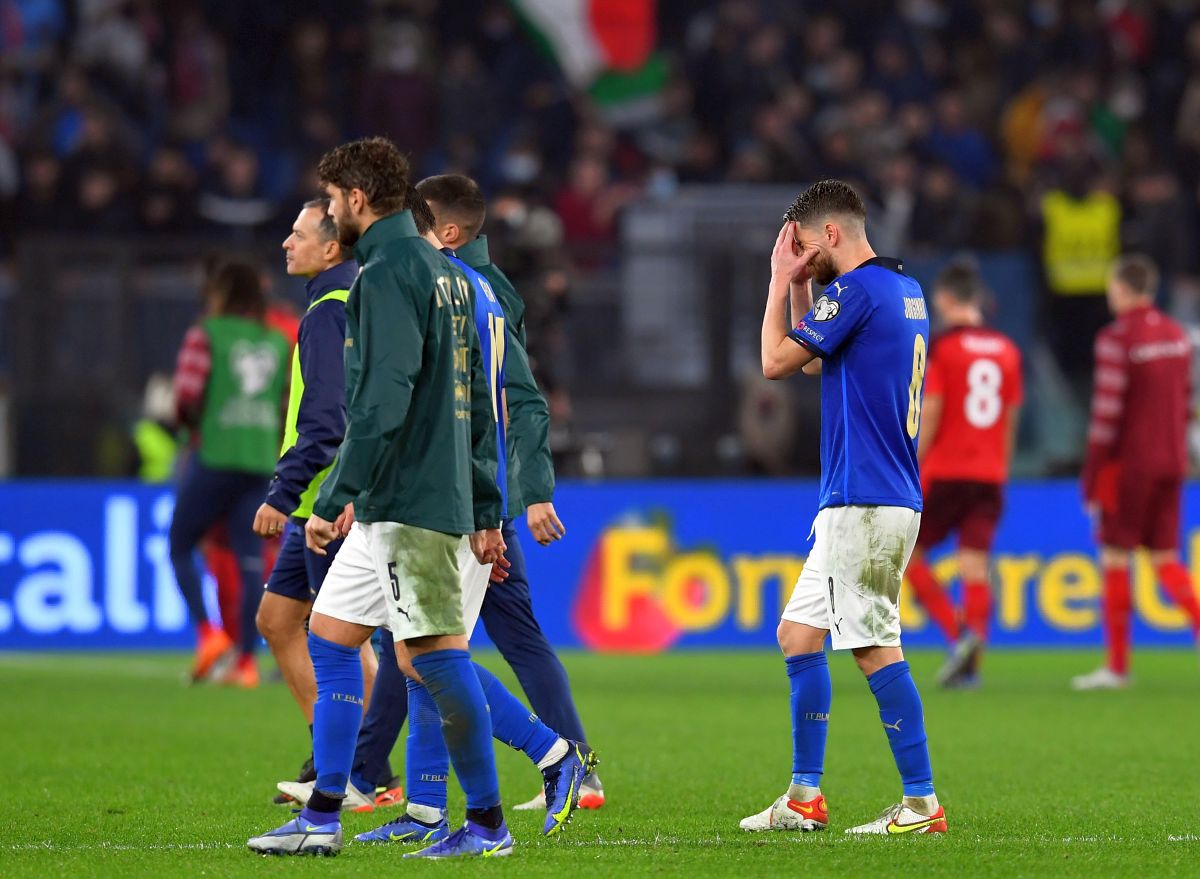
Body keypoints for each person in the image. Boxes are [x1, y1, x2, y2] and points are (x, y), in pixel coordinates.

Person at [247, 137, 510, 859]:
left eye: (331, 202)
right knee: (331, 637)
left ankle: (488, 821)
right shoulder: (449, 275)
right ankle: (323, 813)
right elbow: (480, 406)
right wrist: (488, 508)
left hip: (411, 502)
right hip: (426, 494)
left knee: (434, 657)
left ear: (357, 200)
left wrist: (335, 493)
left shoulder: (386, 272)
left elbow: (380, 402)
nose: (329, 214)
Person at [330, 173, 602, 818]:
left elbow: (509, 403)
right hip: (452, 497)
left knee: (425, 650)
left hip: (449, 499)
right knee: (418, 645)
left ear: (445, 233)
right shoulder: (468, 284)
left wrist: (520, 494)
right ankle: (410, 797)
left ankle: (552, 762)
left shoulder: (460, 290)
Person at [745, 179, 945, 835]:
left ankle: (922, 803)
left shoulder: (857, 292)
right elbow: (811, 362)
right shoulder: (901, 289)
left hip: (866, 497)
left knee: (874, 647)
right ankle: (804, 796)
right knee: (798, 634)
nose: (799, 258)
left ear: (830, 233)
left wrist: (778, 282)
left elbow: (776, 361)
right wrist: (805, 288)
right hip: (871, 495)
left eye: (802, 247)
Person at [252, 198, 391, 807]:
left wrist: (284, 493)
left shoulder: (331, 311)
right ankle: (330, 752)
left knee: (344, 638)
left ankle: (367, 771)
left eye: (298, 232)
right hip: (318, 498)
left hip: (325, 503)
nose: (286, 242)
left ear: (332, 247)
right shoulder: (334, 303)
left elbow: (330, 420)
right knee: (277, 621)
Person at [1072, 254, 1200, 690]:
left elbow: (1107, 415)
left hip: (1128, 466)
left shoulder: (1116, 337)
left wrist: (1090, 477)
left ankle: (1117, 667)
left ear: (1122, 289)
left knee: (1113, 557)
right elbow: (1186, 403)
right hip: (1172, 461)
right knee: (1166, 560)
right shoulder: (1178, 335)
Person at [903, 263, 1023, 687]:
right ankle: (971, 662)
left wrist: (913, 458)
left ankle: (958, 638)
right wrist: (1000, 468)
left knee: (904, 557)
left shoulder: (942, 348)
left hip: (946, 469)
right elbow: (1009, 417)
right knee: (975, 566)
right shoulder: (1007, 349)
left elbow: (931, 408)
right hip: (989, 473)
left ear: (947, 300)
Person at [170, 261, 289, 684]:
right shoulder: (276, 341)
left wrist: (191, 427)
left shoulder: (208, 333)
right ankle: (245, 662)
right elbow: (283, 402)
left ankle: (209, 635)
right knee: (250, 558)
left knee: (181, 544)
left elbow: (186, 394)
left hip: (215, 454)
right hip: (259, 460)